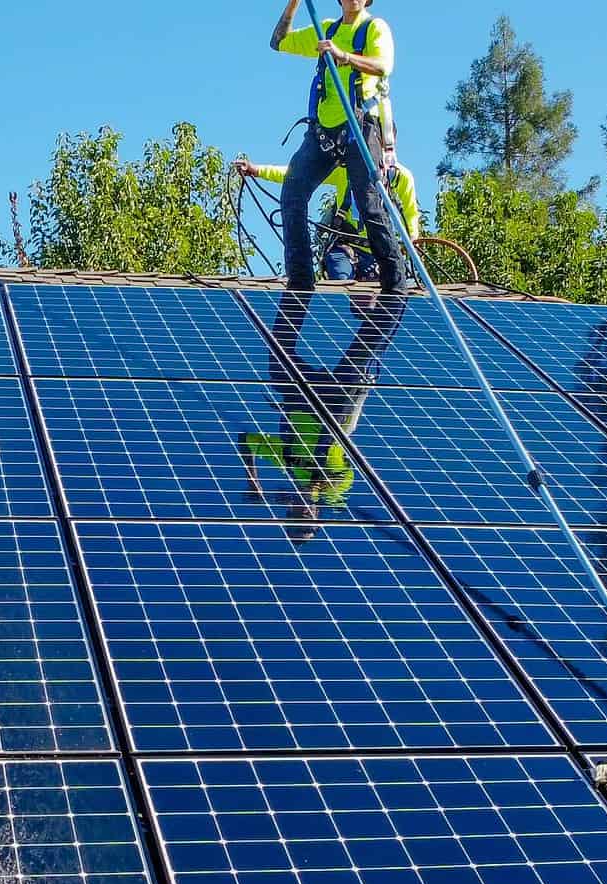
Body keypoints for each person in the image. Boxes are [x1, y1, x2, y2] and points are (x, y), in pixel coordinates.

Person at [265, 0, 406, 294]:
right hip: (324, 132)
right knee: (292, 192)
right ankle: (301, 279)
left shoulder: (373, 28)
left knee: (368, 203)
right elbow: (277, 42)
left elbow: (383, 66)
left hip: (361, 124)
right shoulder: (326, 29)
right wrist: (294, 3)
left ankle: (395, 284)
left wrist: (345, 56)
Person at [239, 293, 407, 536]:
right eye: (308, 521)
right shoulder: (333, 495)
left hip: (300, 396)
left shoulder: (287, 462)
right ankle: (395, 290)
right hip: (334, 404)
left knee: (277, 357)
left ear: (289, 513)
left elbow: (246, 441)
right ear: (317, 516)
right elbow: (343, 477)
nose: (304, 515)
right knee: (371, 339)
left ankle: (300, 282)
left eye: (297, 518)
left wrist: (253, 482)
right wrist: (313, 489)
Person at [235, 156, 421, 282]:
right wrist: (256, 170)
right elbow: (297, 174)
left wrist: (413, 241)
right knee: (340, 288)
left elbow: (410, 214)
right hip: (346, 248)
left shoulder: (401, 178)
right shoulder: (344, 171)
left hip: (380, 252)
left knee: (384, 296)